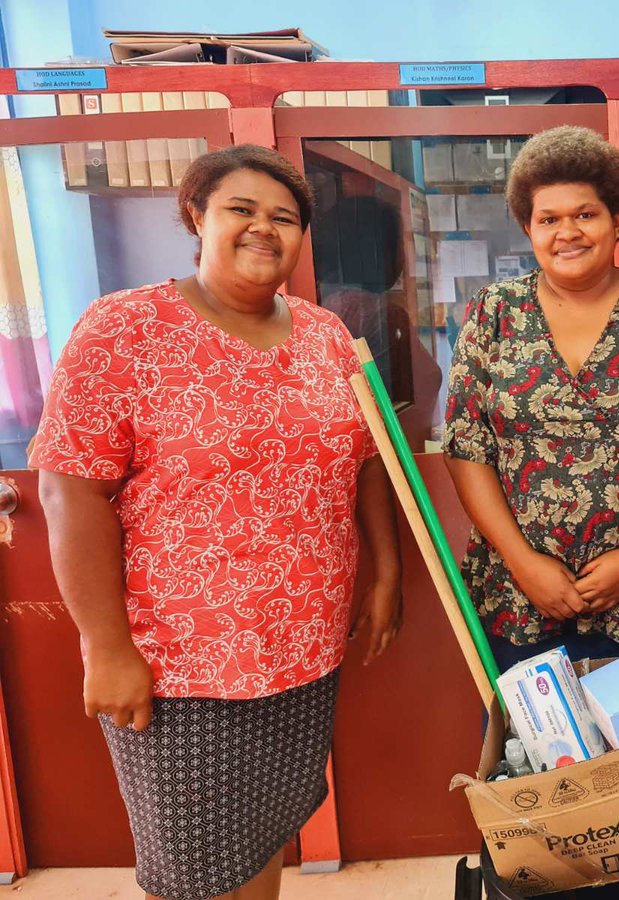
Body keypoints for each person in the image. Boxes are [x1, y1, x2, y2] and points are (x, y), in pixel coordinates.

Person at [31, 145, 403, 900]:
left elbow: (367, 459)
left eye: (285, 218)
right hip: (181, 666)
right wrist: (106, 648)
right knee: (194, 873)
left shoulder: (325, 336)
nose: (264, 229)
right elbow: (69, 491)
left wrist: (386, 571)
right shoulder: (124, 329)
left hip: (304, 648)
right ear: (197, 215)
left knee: (265, 838)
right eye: (242, 209)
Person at [443, 125, 619, 673]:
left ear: (617, 221)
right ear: (528, 228)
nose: (567, 232)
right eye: (548, 219)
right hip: (521, 597)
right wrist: (525, 566)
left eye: (585, 215)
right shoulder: (494, 313)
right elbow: (467, 448)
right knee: (532, 756)